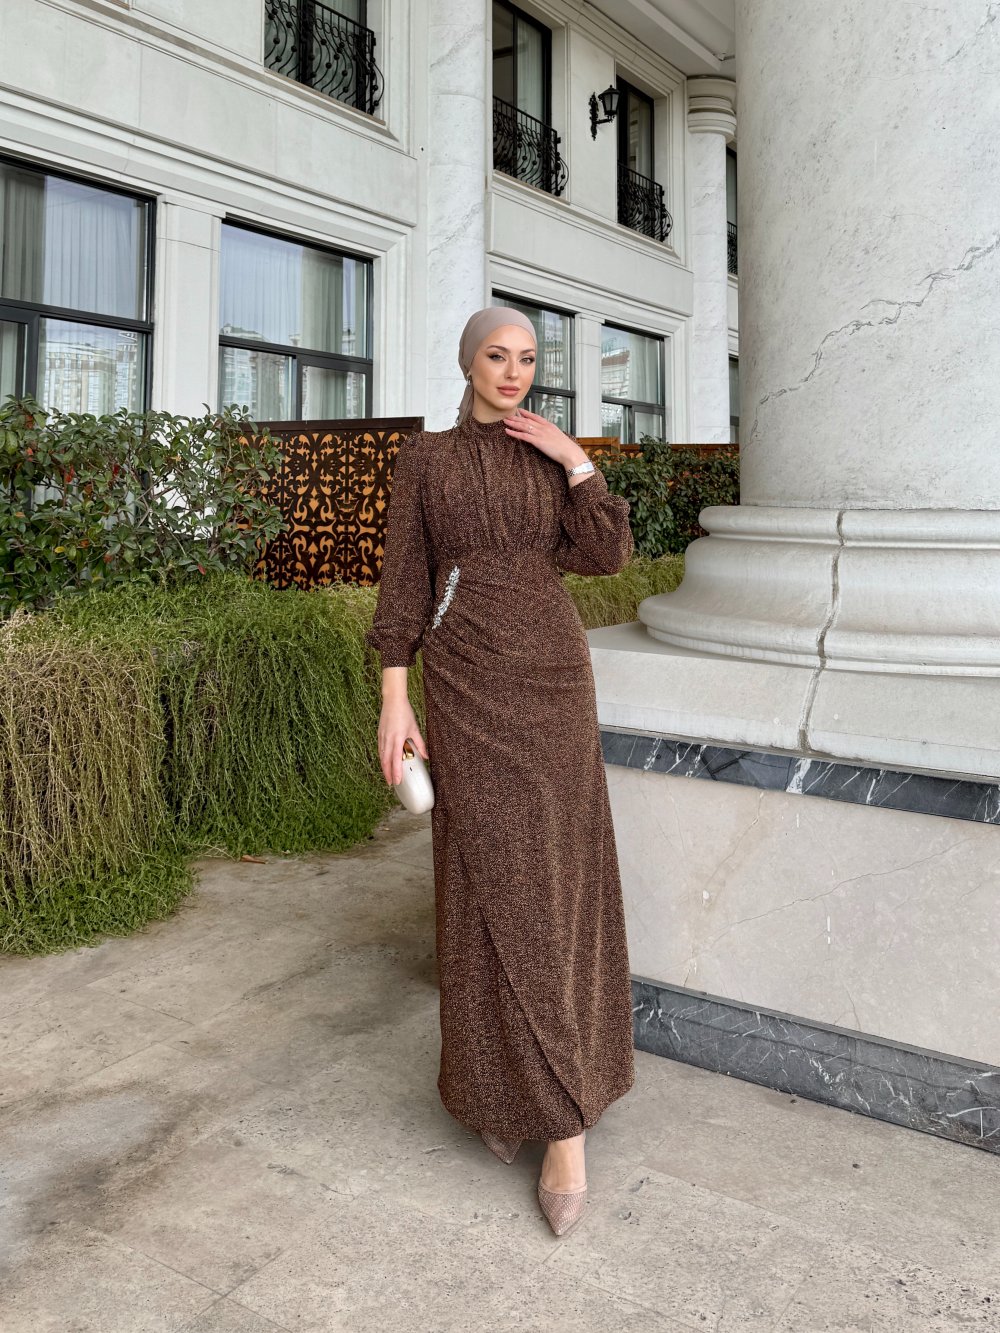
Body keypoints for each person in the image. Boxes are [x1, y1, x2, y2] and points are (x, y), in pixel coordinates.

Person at [365, 305, 635, 1237]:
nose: (514, 372)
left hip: (554, 680)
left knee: (553, 882)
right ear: (467, 361)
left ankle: (565, 1124)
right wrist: (395, 698)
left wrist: (576, 459)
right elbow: (404, 582)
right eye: (497, 355)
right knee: (483, 878)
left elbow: (605, 555)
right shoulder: (426, 461)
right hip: (465, 682)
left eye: (527, 358)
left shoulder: (547, 456)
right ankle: (499, 1087)